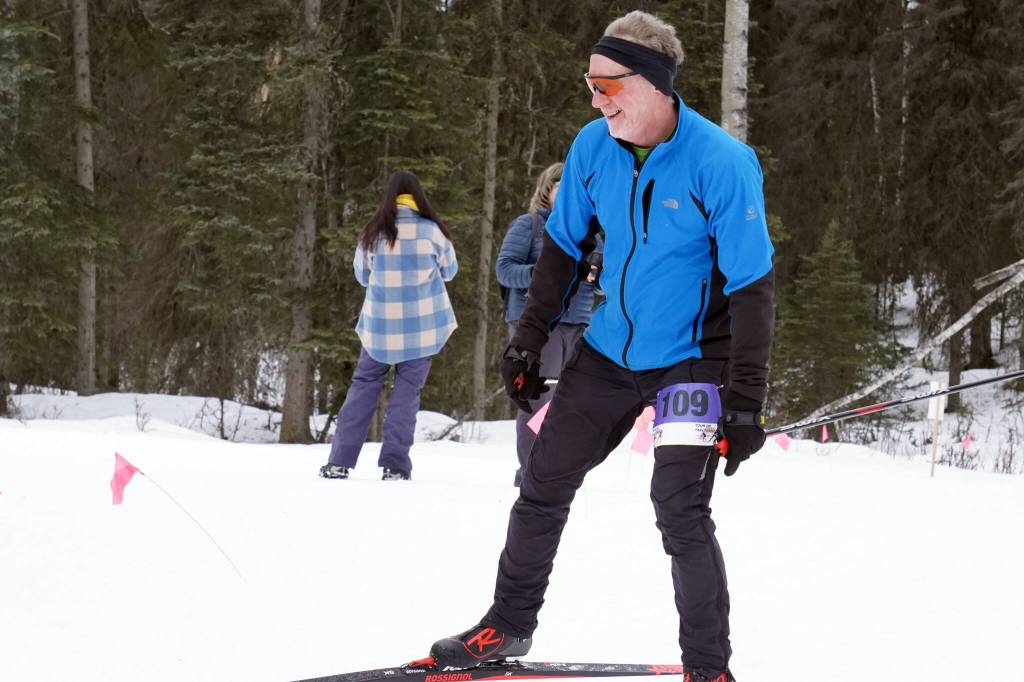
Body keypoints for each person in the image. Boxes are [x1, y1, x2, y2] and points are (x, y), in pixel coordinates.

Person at [428, 11, 774, 682]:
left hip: (694, 362)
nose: (594, 98)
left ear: (649, 83)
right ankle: (508, 622)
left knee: (679, 508)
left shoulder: (722, 164)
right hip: (610, 351)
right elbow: (563, 246)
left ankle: (709, 668)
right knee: (541, 482)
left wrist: (745, 403)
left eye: (605, 85)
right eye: (590, 83)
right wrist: (528, 342)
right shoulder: (591, 147)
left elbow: (754, 286)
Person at [319, 170, 458, 482]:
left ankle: (339, 462)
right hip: (422, 330)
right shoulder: (433, 232)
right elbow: (449, 271)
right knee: (406, 395)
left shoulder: (373, 232)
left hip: (379, 330)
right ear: (417, 196)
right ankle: (395, 465)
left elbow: (362, 276)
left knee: (362, 389)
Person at [495, 162, 598, 487]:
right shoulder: (530, 225)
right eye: (561, 186)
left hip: (578, 322)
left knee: (569, 400)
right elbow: (505, 269)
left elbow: (604, 280)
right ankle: (531, 470)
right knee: (537, 398)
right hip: (535, 323)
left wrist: (595, 275)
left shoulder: (591, 233)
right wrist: (545, 272)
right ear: (547, 189)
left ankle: (555, 468)